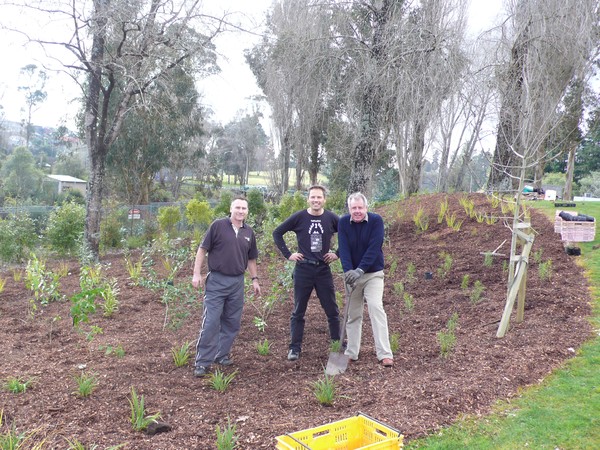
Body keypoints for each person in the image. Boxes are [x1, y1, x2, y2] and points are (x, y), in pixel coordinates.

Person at [192, 197, 261, 377]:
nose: (240, 211)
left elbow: (251, 258)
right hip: (217, 280)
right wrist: (196, 273)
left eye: (244, 208)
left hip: (237, 282)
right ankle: (202, 362)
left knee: (232, 322)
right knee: (211, 321)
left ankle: (221, 355)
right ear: (231, 209)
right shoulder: (218, 226)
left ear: (247, 211)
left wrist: (254, 279)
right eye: (237, 207)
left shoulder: (249, 232)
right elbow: (202, 249)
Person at [273, 185, 341, 361]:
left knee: (331, 308)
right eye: (313, 197)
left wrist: (338, 254)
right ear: (308, 199)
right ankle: (294, 348)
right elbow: (277, 232)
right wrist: (289, 254)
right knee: (298, 310)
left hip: (323, 269)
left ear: (324, 199)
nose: (316, 200)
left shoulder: (331, 218)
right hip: (303, 268)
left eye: (319, 197)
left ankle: (338, 341)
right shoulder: (300, 217)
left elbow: (348, 234)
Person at [338, 192, 394, 367]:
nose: (357, 211)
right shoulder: (343, 223)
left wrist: (360, 270)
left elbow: (374, 247)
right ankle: (351, 352)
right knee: (353, 314)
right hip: (352, 276)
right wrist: (349, 273)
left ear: (366, 208)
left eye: (360, 208)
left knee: (376, 308)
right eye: (353, 208)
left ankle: (384, 353)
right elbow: (344, 249)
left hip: (372, 274)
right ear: (349, 208)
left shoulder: (376, 221)